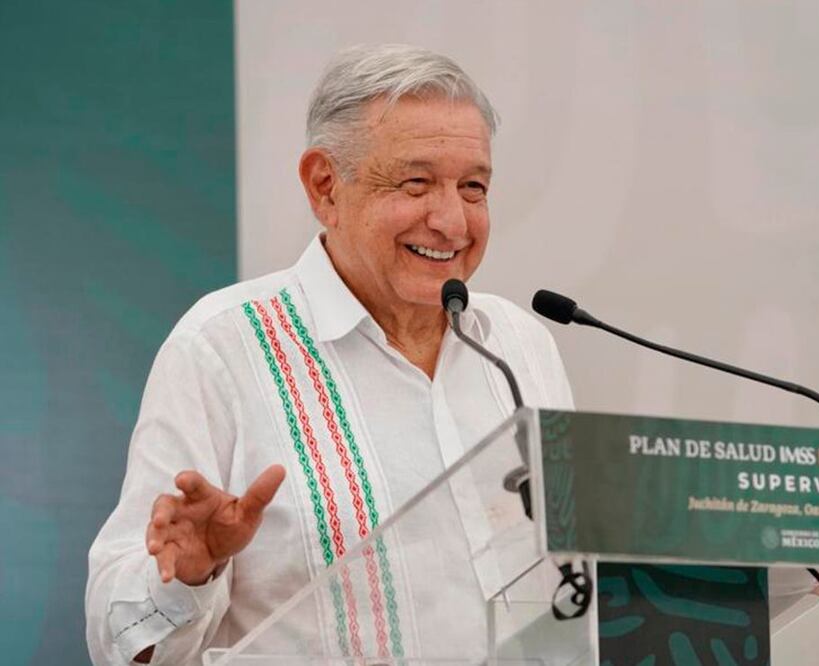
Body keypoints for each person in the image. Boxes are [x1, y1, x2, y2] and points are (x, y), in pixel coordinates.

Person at [86, 43, 573, 665]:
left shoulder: (520, 346)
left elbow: (574, 584)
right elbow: (115, 642)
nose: (452, 222)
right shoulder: (223, 347)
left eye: (473, 187)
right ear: (325, 186)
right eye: (416, 183)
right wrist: (187, 577)